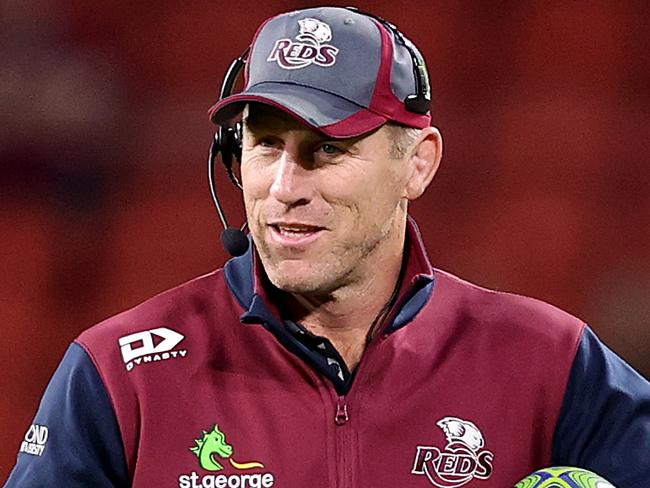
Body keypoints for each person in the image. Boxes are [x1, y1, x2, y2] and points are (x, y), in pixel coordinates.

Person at [5, 6, 650, 488]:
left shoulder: (550, 362)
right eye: (265, 145)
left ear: (417, 164)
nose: (285, 187)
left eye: (328, 150)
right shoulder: (118, 375)